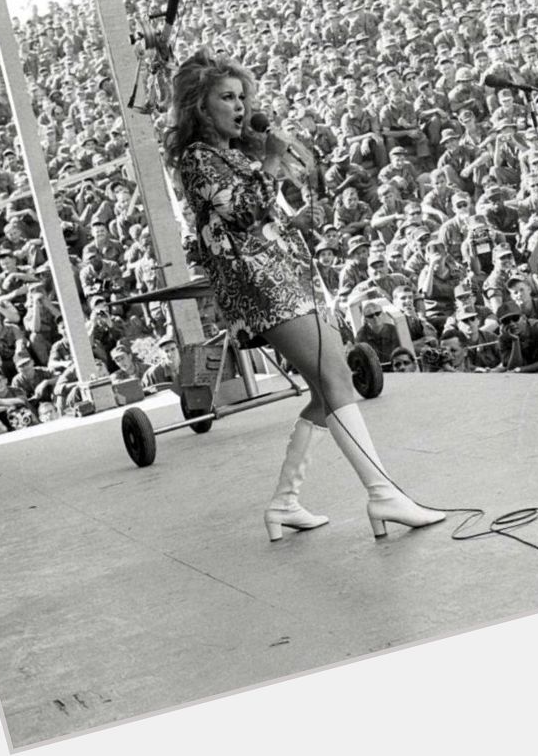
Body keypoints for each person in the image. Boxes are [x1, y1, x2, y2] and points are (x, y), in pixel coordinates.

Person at [165, 57, 444, 543]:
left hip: (286, 274)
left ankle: (284, 503)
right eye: (226, 98)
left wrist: (291, 219)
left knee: (323, 389)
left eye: (241, 96)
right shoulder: (197, 158)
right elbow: (243, 214)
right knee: (337, 378)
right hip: (261, 284)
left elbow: (259, 217)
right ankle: (382, 494)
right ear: (200, 107)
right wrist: (270, 163)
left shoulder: (232, 153)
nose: (240, 106)